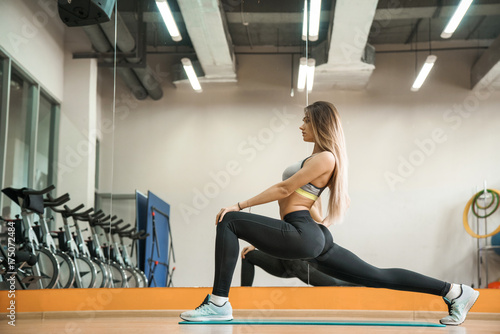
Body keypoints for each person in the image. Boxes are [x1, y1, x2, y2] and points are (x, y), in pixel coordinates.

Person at [180, 101, 479, 326]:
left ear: (320, 124)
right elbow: (311, 199)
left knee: (230, 221)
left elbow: (285, 189)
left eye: (306, 121)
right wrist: (318, 222)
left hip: (301, 231)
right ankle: (455, 292)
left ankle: (219, 303)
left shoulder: (325, 157)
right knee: (375, 275)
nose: (300, 126)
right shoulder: (319, 157)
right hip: (312, 232)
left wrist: (239, 205)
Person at [241, 245, 359, 287]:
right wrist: (254, 244)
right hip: (284, 259)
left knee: (335, 284)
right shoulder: (287, 211)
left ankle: (367, 283)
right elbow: (274, 235)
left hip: (301, 263)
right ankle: (244, 296)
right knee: (249, 255)